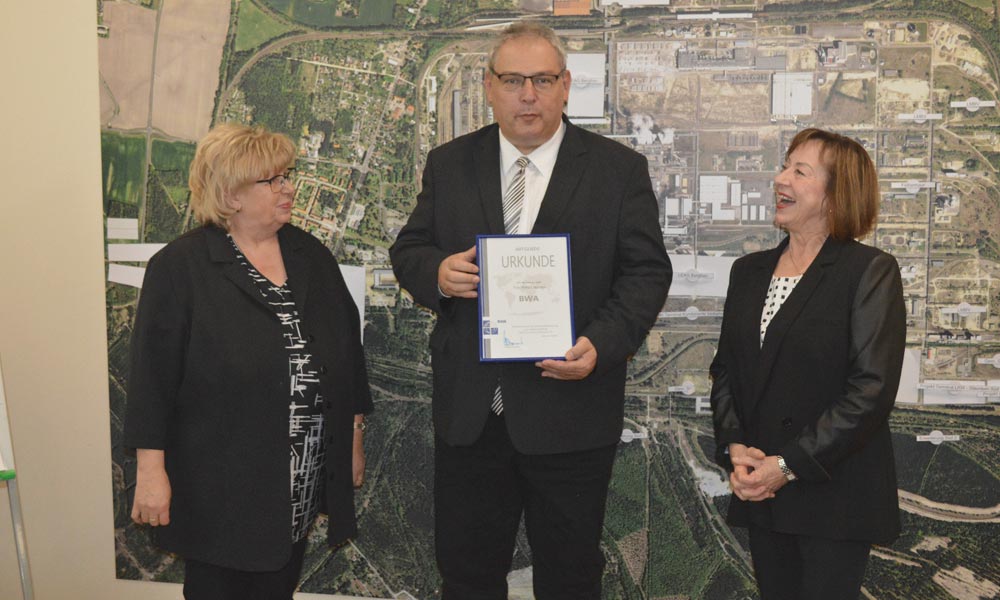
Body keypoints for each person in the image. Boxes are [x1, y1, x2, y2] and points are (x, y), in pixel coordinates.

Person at [390, 22, 672, 600]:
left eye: (543, 80)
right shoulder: (449, 164)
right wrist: (437, 274)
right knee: (467, 577)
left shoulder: (618, 171)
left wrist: (601, 342)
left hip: (570, 411)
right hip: (473, 414)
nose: (528, 95)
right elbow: (409, 250)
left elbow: (646, 273)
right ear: (489, 86)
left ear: (566, 86)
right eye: (513, 80)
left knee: (569, 579)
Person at [124, 123, 373, 600]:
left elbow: (346, 353)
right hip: (221, 485)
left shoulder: (309, 254)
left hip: (297, 480)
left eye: (288, 175)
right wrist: (151, 474)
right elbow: (152, 381)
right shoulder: (180, 268)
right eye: (272, 180)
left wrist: (353, 436)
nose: (289, 187)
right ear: (230, 195)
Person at [710, 128, 906, 600]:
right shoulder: (748, 271)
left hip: (834, 495)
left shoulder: (870, 271)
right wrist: (736, 447)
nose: (781, 179)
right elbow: (725, 371)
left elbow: (870, 390)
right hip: (764, 492)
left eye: (800, 171)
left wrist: (788, 464)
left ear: (837, 196)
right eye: (785, 165)